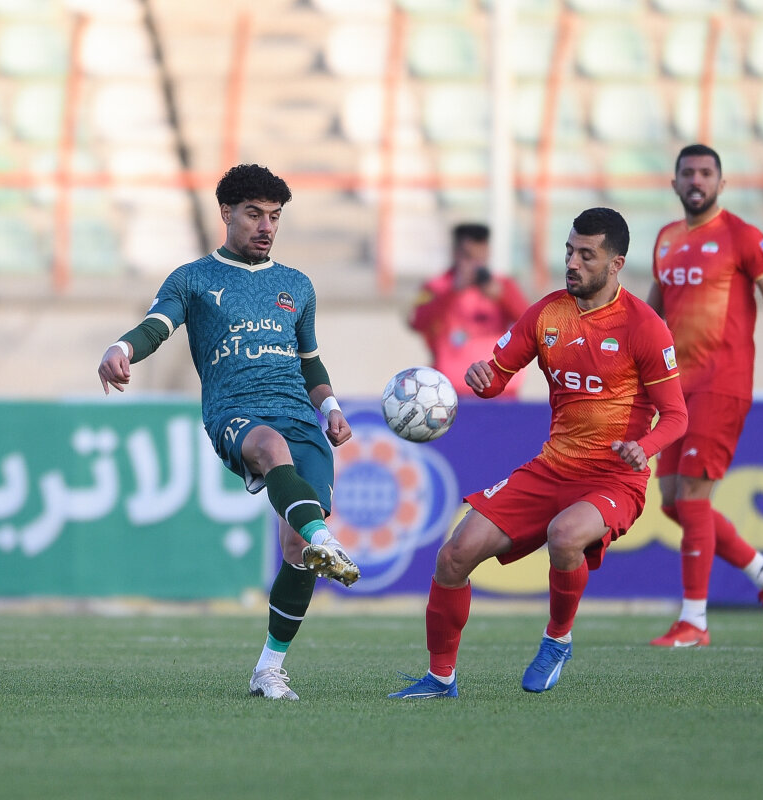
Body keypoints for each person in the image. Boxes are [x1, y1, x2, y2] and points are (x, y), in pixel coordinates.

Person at [389, 207, 688, 699]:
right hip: (551, 468)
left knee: (565, 535)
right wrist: (483, 378)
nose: (572, 263)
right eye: (569, 251)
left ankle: (557, 640)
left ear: (616, 264)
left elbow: (676, 416)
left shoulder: (644, 326)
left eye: (586, 255)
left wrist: (644, 447)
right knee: (453, 556)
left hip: (614, 477)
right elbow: (497, 376)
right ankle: (440, 679)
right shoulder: (548, 313)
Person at [96, 164, 360, 701]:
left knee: (296, 550)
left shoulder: (296, 286)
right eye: (254, 214)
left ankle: (268, 670)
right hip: (235, 412)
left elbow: (309, 360)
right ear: (226, 213)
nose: (266, 227)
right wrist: (121, 348)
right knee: (271, 450)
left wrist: (330, 406)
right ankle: (325, 539)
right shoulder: (193, 279)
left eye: (275, 217)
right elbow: (157, 326)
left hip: (300, 417)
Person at [647, 143, 763, 648]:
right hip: (676, 389)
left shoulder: (742, 236)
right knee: (673, 503)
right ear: (675, 183)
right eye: (688, 172)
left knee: (692, 497)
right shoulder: (665, 239)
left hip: (722, 383)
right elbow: (652, 316)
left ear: (721, 184)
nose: (696, 180)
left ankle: (694, 622)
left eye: (706, 173)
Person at [409, 223, 530, 397]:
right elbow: (417, 322)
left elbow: (530, 322)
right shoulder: (437, 286)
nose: (476, 265)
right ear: (455, 254)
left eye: (481, 258)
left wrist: (503, 297)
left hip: (499, 389)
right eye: (469, 257)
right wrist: (452, 292)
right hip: (449, 390)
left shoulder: (502, 286)